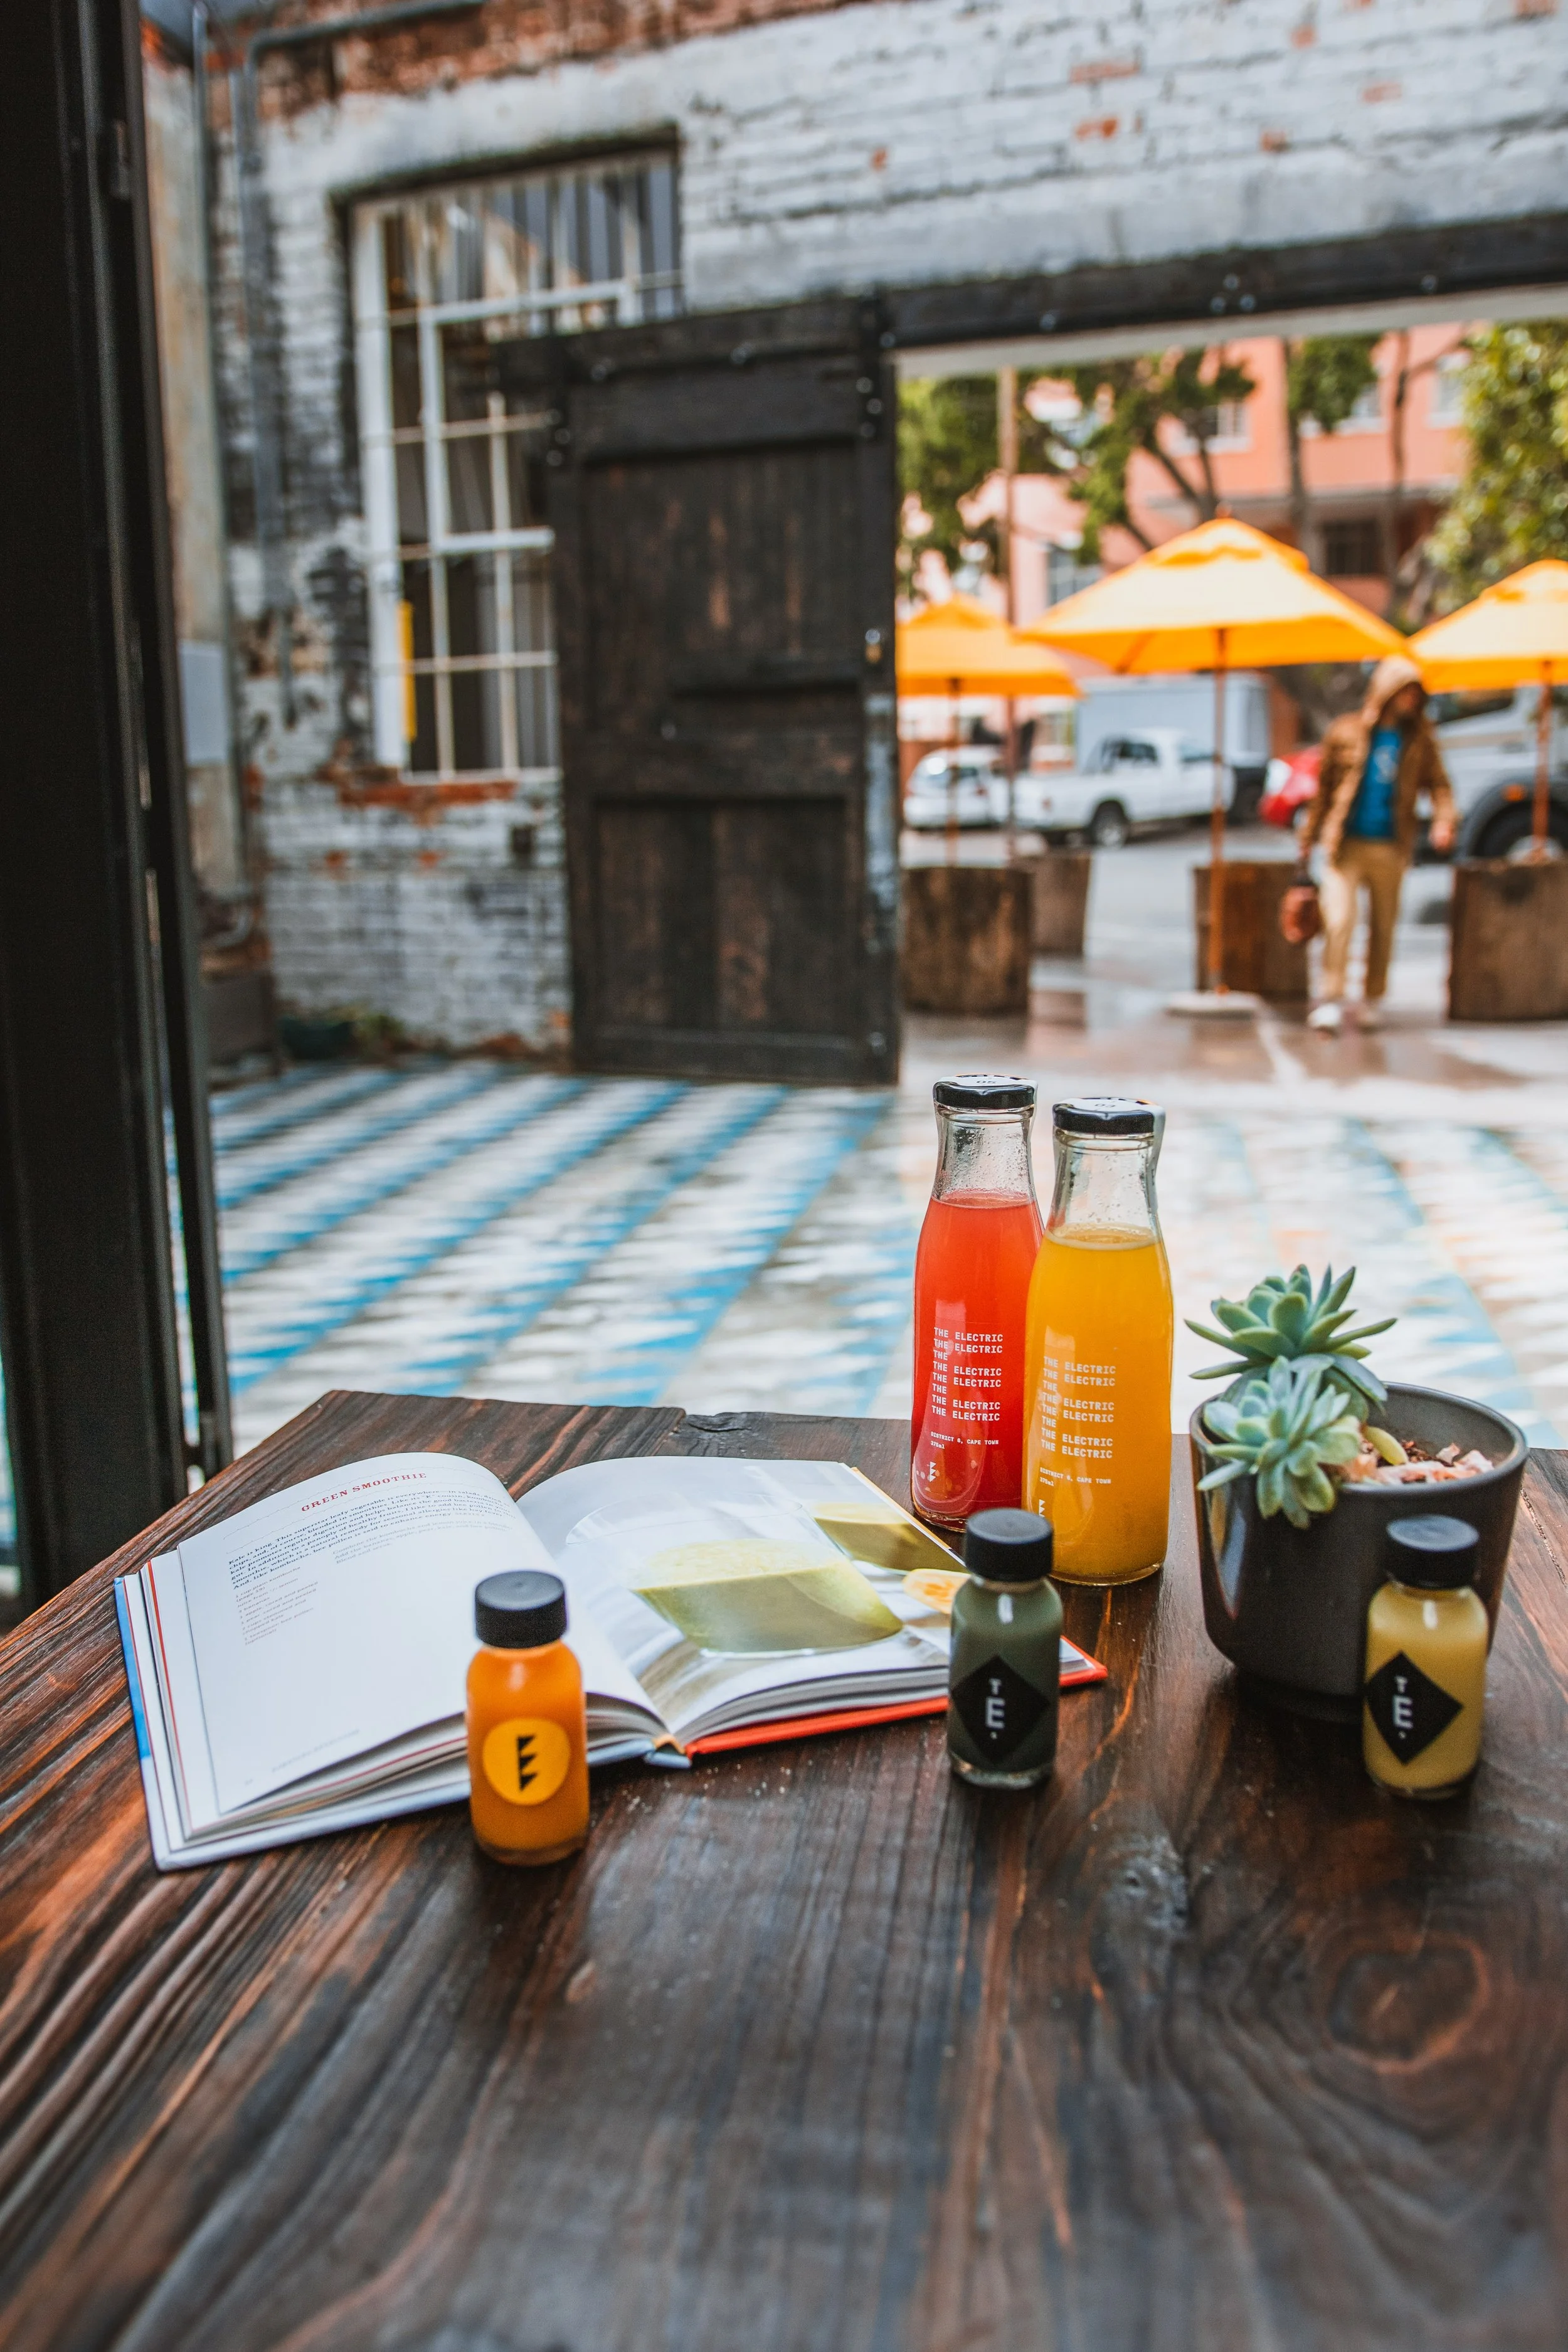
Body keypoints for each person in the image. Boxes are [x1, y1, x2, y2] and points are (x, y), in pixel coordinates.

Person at [1298, 654, 1455, 1032]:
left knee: (1384, 925)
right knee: (1339, 919)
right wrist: (1307, 839)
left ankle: (1372, 998)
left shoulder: (1419, 738)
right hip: (1345, 844)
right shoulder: (1346, 730)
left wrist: (1443, 820)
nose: (1412, 701)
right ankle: (1332, 998)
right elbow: (1324, 792)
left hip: (1391, 845)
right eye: (1405, 692)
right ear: (1387, 691)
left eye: (1417, 694)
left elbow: (1439, 785)